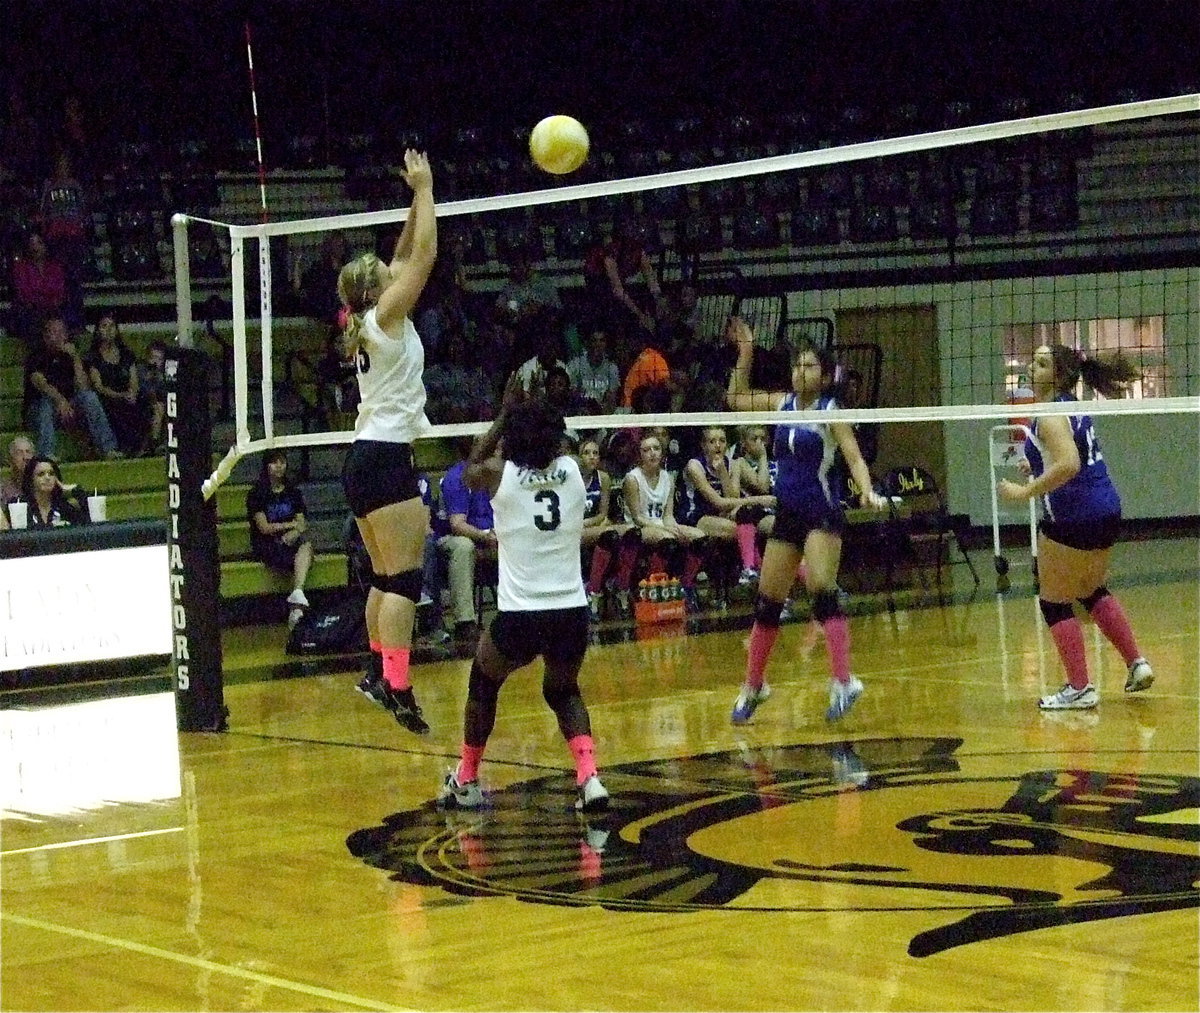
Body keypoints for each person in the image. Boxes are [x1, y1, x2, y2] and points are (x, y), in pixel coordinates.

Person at [438, 384, 609, 814]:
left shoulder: (500, 476)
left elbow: (470, 466)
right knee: (564, 691)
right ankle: (589, 779)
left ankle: (468, 778)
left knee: (483, 681)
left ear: (513, 438)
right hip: (571, 611)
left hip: (521, 615)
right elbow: (557, 443)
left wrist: (504, 413)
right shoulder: (572, 470)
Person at [725, 317, 887, 724]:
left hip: (823, 513)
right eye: (797, 365)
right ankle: (754, 686)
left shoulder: (832, 412)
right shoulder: (780, 404)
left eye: (810, 366)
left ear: (826, 373)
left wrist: (865, 489)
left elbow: (853, 457)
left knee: (820, 587)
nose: (801, 372)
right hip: (789, 516)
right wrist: (746, 351)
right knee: (768, 601)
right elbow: (735, 398)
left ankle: (844, 681)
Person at [337, 149, 437, 735]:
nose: (394, 270)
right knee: (403, 580)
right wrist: (426, 190)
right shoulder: (387, 317)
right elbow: (421, 257)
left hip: (365, 457)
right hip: (382, 457)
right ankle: (398, 687)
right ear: (380, 290)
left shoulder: (372, 317)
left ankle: (379, 672)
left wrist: (411, 197)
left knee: (383, 576)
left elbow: (403, 253)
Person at [998, 344, 1153, 709]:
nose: (1030, 368)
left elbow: (1068, 463)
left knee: (1053, 601)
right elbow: (1068, 454)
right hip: (1106, 509)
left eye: (1040, 363)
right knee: (1091, 589)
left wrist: (1025, 492)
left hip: (1074, 516)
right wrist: (1036, 465)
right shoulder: (1070, 405)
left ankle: (1080, 688)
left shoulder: (1050, 414)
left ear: (1059, 374)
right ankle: (1136, 663)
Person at [677, 425, 776, 587]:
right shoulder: (694, 466)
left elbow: (732, 498)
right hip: (696, 515)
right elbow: (717, 502)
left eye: (722, 441)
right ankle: (755, 569)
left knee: (748, 518)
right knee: (738, 528)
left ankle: (753, 571)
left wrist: (723, 471)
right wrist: (759, 500)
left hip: (722, 514)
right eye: (712, 441)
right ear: (703, 445)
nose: (718, 445)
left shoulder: (733, 464)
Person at [622, 431, 708, 612]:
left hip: (661, 524)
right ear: (639, 455)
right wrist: (666, 529)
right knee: (667, 540)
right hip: (639, 527)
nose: (652, 453)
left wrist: (675, 528)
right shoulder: (632, 478)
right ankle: (651, 587)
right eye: (646, 450)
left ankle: (685, 585)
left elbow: (668, 515)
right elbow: (637, 517)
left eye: (656, 448)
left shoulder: (668, 477)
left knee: (700, 538)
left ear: (662, 452)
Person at [25, 316, 121, 460]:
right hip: (39, 411)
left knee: (89, 397)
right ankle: (46, 454)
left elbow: (83, 386)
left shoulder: (70, 356)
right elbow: (41, 383)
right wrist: (60, 400)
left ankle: (108, 449)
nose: (59, 336)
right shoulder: (36, 356)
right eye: (54, 332)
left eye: (62, 332)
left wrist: (75, 357)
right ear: (45, 336)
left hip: (68, 409)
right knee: (45, 404)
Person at [246, 449, 314, 630]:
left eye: (282, 462)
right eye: (274, 462)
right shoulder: (257, 494)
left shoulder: (294, 492)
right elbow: (264, 527)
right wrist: (290, 526)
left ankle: (297, 597)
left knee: (306, 547)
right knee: (295, 554)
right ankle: (297, 607)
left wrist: (294, 533)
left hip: (291, 541)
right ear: (266, 466)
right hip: (267, 544)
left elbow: (302, 524)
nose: (279, 466)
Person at [439, 438, 497, 646]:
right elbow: (457, 524)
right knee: (463, 547)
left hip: (492, 537)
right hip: (453, 539)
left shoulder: (499, 475)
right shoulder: (459, 477)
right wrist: (486, 535)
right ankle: (465, 623)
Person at [577, 436, 638, 621]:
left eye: (595, 453)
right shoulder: (571, 478)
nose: (592, 457)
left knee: (631, 534)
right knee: (608, 534)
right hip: (573, 528)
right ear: (579, 457)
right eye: (587, 453)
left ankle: (620, 586)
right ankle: (593, 592)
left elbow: (602, 514)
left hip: (593, 524)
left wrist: (591, 523)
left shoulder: (603, 478)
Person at [86, 314, 149, 457]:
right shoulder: (93, 356)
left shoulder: (126, 354)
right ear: (97, 330)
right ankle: (121, 446)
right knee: (114, 407)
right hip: (107, 396)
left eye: (111, 326)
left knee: (143, 400)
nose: (108, 330)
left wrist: (132, 392)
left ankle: (143, 446)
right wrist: (120, 395)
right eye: (104, 326)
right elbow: (98, 386)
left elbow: (133, 379)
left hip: (126, 393)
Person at [566, 323, 622, 413]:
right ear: (587, 343)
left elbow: (611, 399)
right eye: (594, 340)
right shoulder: (575, 365)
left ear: (606, 344)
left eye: (601, 341)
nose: (598, 344)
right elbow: (571, 396)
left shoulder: (612, 368)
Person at [22, 456, 89, 527]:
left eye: (51, 474)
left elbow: (88, 524)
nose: (47, 478)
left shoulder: (64, 507)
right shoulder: (20, 506)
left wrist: (74, 490)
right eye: (41, 474)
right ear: (31, 480)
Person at [1, 435, 34, 506]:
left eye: (28, 452)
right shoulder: (3, 489)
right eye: (19, 452)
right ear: (11, 459)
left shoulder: (41, 486)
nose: (25, 457)